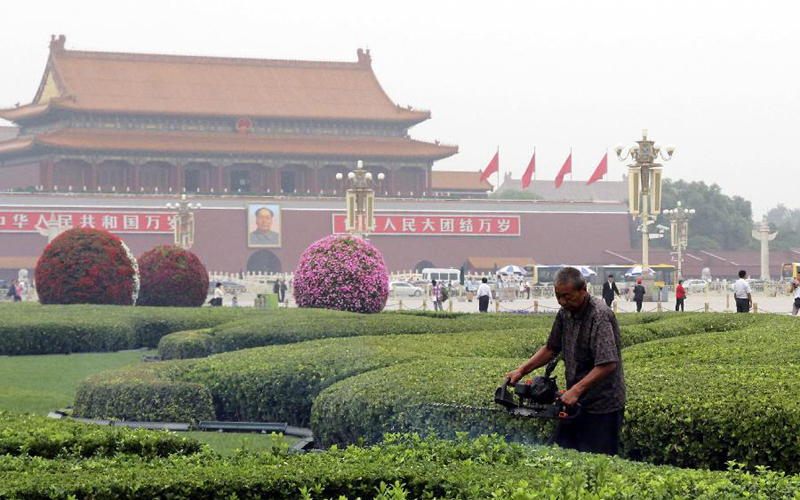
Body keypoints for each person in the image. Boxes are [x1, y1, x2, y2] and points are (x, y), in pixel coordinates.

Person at [506, 267, 625, 456]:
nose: (562, 302)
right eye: (558, 296)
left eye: (567, 297)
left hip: (602, 406)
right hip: (575, 403)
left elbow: (608, 363)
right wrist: (521, 371)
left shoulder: (599, 315)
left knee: (598, 463)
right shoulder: (564, 313)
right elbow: (551, 348)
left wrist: (576, 390)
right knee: (556, 454)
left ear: (583, 289)